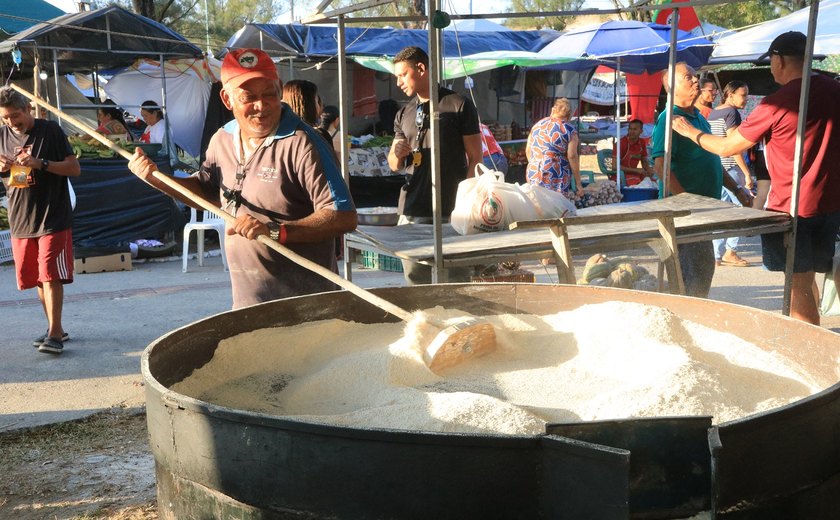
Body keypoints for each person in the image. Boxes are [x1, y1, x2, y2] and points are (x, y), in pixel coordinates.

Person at [128, 48, 357, 309]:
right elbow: (207, 192)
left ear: (280, 89)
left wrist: (275, 231)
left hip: (308, 304)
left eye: (269, 94)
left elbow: (343, 216)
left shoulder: (304, 143)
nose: (261, 106)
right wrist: (157, 179)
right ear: (227, 99)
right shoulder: (221, 139)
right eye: (249, 97)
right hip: (248, 303)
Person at [671, 32, 840, 325]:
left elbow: (728, 146)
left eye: (771, 62)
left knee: (798, 284)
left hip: (793, 207)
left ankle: (810, 353)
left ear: (780, 60)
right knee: (817, 275)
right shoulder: (834, 89)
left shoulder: (777, 102)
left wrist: (690, 132)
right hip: (831, 204)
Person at [651, 62, 752, 298]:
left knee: (703, 271)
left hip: (702, 212)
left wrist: (737, 189)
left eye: (695, 76)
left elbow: (713, 161)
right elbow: (660, 166)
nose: (696, 81)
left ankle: (695, 316)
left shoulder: (697, 117)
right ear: (671, 87)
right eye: (688, 78)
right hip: (682, 215)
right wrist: (684, 200)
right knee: (687, 278)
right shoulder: (670, 120)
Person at [387, 46, 482, 284]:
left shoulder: (458, 104)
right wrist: (397, 153)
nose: (398, 82)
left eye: (402, 75)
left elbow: (476, 158)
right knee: (415, 279)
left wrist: (465, 203)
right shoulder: (403, 113)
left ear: (421, 69)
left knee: (456, 278)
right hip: (412, 208)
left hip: (452, 209)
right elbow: (393, 165)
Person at [0, 86, 81, 354]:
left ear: (27, 109)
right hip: (21, 219)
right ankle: (52, 328)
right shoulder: (1, 136)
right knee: (37, 277)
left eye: (15, 116)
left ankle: (56, 333)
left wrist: (41, 163)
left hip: (52, 215)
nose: (12, 122)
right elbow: (9, 178)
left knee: (51, 273)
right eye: (5, 118)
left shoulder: (51, 131)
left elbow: (74, 168)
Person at [707, 81, 752, 267]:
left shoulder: (714, 112)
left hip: (718, 169)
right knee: (742, 210)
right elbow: (734, 147)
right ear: (730, 95)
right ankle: (731, 251)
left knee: (720, 212)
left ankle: (716, 255)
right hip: (731, 169)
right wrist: (747, 173)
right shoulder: (732, 113)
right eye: (743, 95)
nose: (746, 99)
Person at [525, 97, 583, 198]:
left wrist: (535, 163)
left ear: (553, 110)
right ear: (569, 115)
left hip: (534, 170)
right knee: (555, 207)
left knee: (536, 203)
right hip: (555, 173)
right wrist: (578, 183)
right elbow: (572, 156)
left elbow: (528, 150)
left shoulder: (537, 125)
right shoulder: (569, 130)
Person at [612, 118, 652, 186]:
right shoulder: (621, 143)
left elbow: (644, 161)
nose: (632, 131)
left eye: (635, 129)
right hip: (620, 176)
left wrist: (649, 170)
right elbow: (615, 167)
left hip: (635, 175)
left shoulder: (642, 142)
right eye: (630, 129)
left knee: (654, 181)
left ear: (641, 131)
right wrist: (635, 170)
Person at [139, 100, 178, 167]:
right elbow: (142, 141)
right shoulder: (149, 126)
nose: (144, 119)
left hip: (157, 164)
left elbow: (161, 150)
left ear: (154, 113)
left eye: (146, 116)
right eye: (143, 116)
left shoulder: (162, 127)